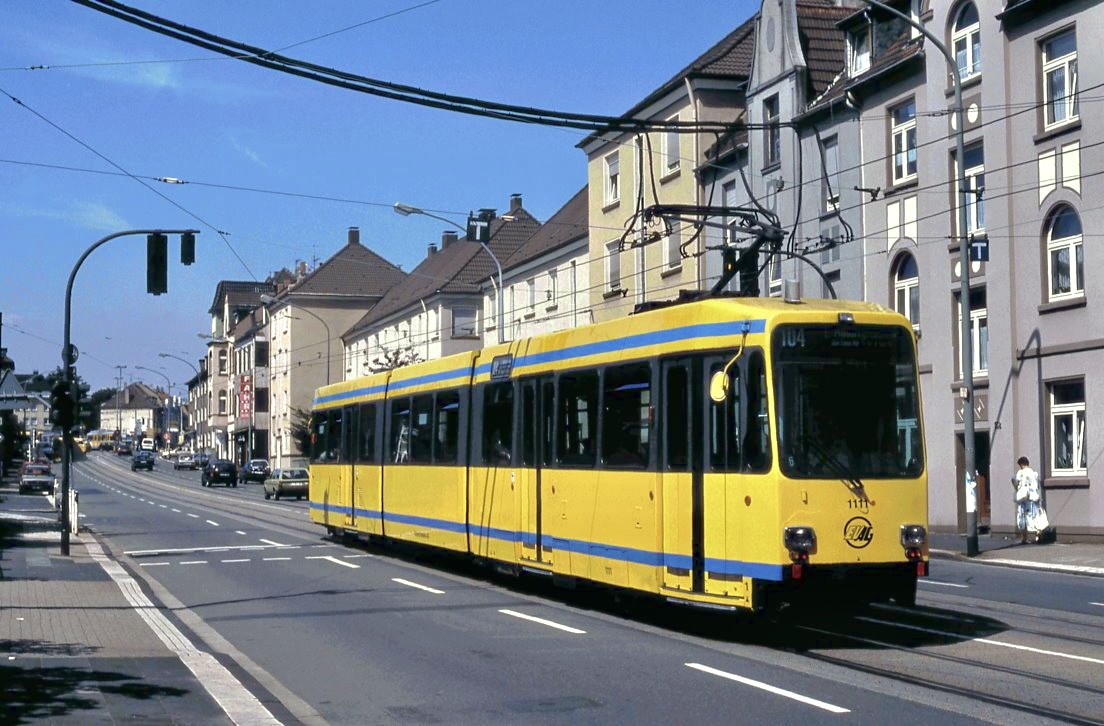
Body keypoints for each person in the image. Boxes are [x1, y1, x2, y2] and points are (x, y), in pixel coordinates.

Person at [1013, 456, 1048, 544]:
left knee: (1022, 517)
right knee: (1035, 516)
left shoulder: (1020, 472)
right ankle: (1038, 536)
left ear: (1021, 464)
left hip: (1023, 499)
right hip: (1033, 498)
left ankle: (1025, 538)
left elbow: (1016, 482)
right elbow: (1036, 486)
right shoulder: (1033, 473)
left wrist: (1016, 487)